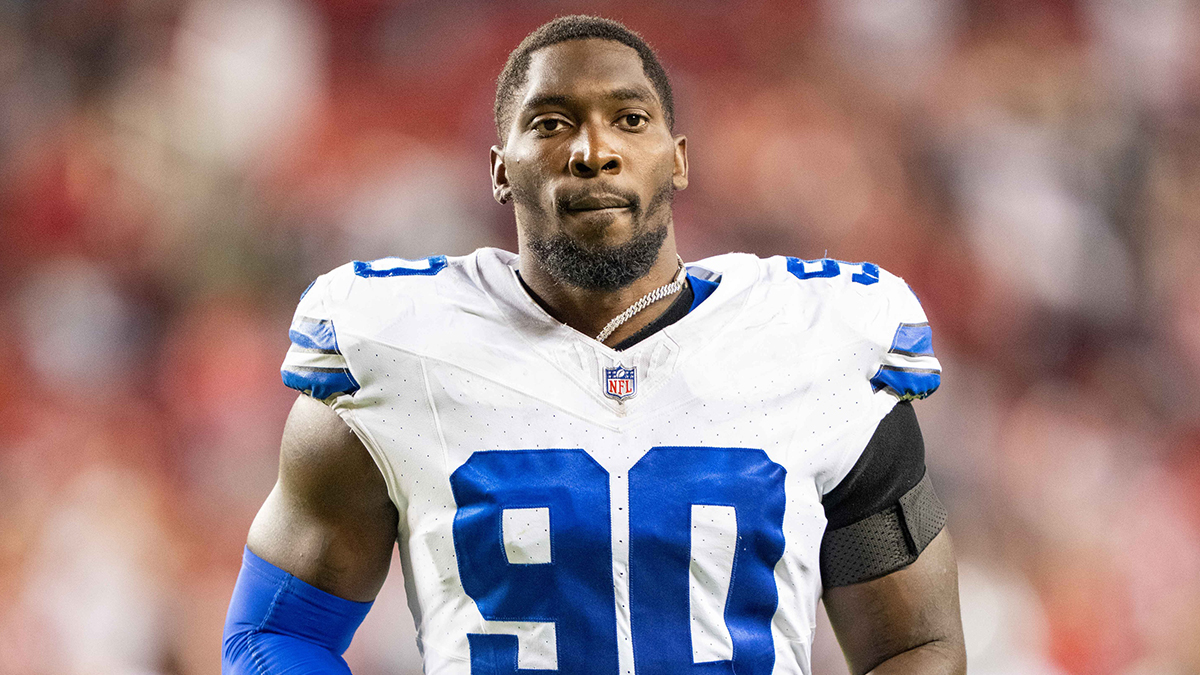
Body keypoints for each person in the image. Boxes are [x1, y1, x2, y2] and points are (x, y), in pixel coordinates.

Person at [223, 15, 965, 675]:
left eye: (630, 119)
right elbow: (272, 630)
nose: (593, 150)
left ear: (677, 158)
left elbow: (914, 642)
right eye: (550, 123)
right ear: (499, 169)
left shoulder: (816, 340)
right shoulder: (399, 347)